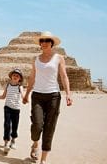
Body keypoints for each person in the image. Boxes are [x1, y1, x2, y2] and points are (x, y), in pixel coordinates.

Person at [22, 31, 73, 164]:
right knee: (37, 125)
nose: (44, 43)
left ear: (52, 43)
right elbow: (32, 77)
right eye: (42, 41)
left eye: (47, 41)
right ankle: (35, 143)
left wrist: (68, 93)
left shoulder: (58, 58)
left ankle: (43, 159)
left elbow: (63, 76)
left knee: (49, 127)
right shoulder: (36, 59)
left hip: (53, 96)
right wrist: (27, 94)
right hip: (37, 95)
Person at [0, 68, 24, 154]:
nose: (15, 77)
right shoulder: (8, 85)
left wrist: (25, 98)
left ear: (20, 78)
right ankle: (6, 143)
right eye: (14, 75)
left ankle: (13, 140)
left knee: (14, 126)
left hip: (16, 109)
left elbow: (23, 96)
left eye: (17, 76)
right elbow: (3, 96)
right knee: (7, 125)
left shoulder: (20, 87)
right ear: (11, 76)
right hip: (7, 108)